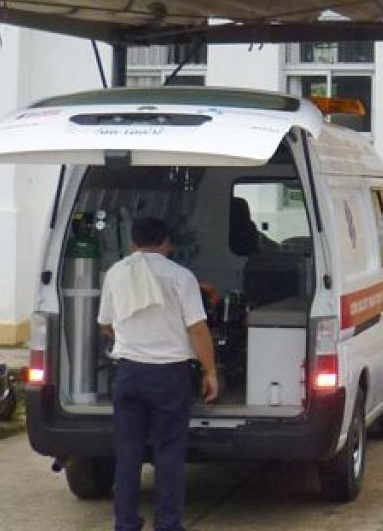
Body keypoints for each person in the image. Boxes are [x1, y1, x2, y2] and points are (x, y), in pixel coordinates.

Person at [98, 216, 221, 531]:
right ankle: (167, 524)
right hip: (169, 376)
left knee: (128, 453)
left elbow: (106, 324)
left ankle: (125, 523)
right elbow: (197, 328)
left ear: (132, 243)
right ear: (167, 243)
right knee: (168, 452)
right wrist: (210, 371)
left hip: (128, 373)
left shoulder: (116, 273)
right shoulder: (180, 277)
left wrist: (133, 339)